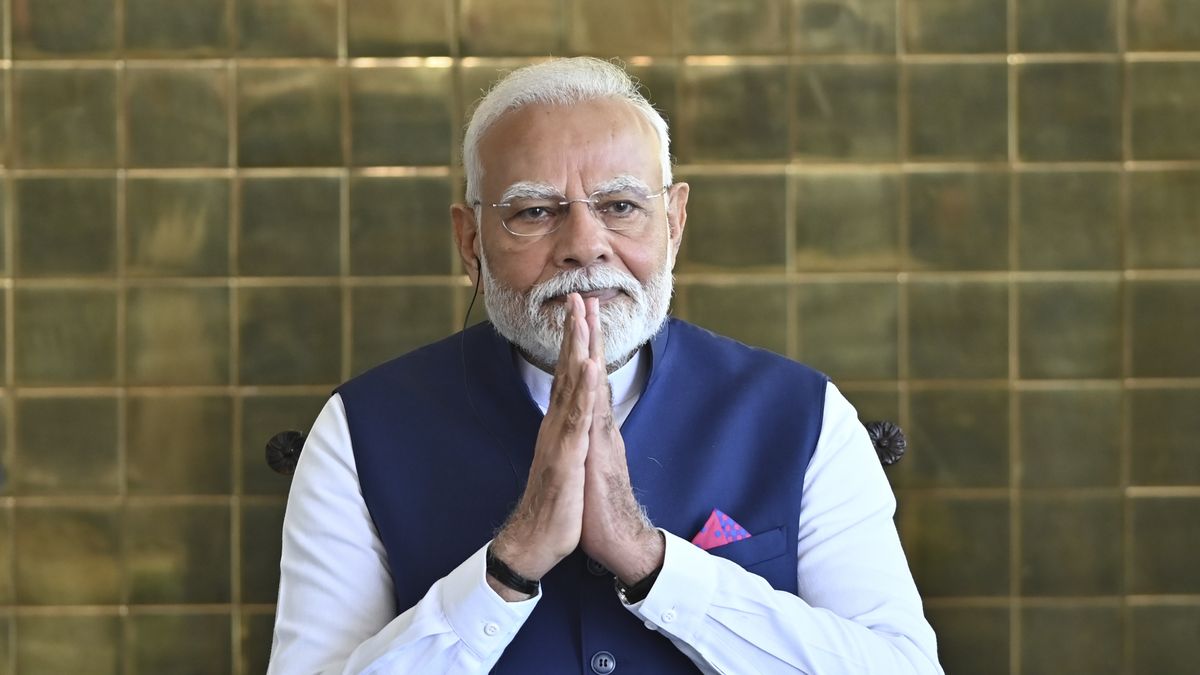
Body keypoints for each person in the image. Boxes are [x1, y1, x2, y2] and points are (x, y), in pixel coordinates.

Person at [268, 57, 942, 674]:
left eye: (620, 206)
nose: (584, 245)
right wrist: (512, 561)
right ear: (471, 242)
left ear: (673, 224)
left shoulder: (804, 415)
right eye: (534, 211)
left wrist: (650, 559)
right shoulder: (360, 430)